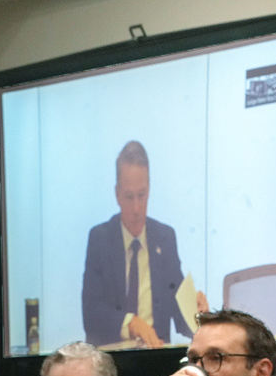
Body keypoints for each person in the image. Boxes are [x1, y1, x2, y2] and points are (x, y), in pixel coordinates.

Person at [82, 140, 205, 348]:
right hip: (113, 360)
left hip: (155, 357)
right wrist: (131, 323)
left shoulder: (165, 238)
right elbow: (91, 314)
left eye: (142, 195)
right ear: (117, 194)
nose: (137, 208)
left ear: (149, 190)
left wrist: (199, 315)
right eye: (129, 197)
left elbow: (181, 316)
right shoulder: (100, 239)